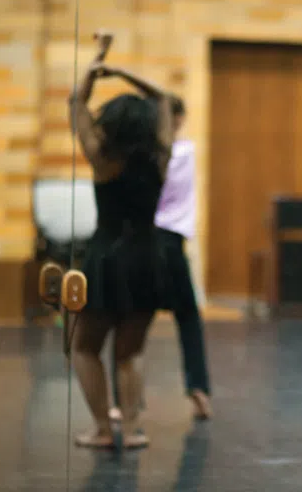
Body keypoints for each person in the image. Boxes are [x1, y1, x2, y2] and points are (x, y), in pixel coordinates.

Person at [68, 32, 174, 449]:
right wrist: (124, 72)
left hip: (107, 256)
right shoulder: (161, 155)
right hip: (149, 255)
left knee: (85, 347)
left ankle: (101, 428)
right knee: (131, 351)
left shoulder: (101, 157)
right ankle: (130, 431)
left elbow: (76, 103)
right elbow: (163, 97)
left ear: (108, 125)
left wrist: (98, 65)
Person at [109, 97, 214, 421]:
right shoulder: (181, 152)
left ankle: (122, 400)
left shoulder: (134, 159)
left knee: (129, 323)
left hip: (141, 245)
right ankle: (198, 387)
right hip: (167, 243)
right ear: (176, 118)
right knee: (187, 317)